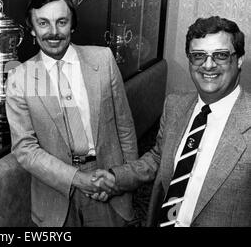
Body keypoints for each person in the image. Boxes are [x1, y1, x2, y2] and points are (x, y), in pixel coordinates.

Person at [96, 16, 251, 227]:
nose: (208, 65)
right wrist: (117, 178)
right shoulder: (175, 105)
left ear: (239, 59)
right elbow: (160, 156)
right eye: (198, 56)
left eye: (221, 55)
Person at [5, 0, 138, 227]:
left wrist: (122, 180)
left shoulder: (104, 60)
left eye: (61, 22)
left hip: (108, 183)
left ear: (72, 25)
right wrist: (77, 179)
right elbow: (25, 149)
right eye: (43, 23)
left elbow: (125, 127)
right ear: (32, 30)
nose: (53, 32)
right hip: (55, 195)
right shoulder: (19, 78)